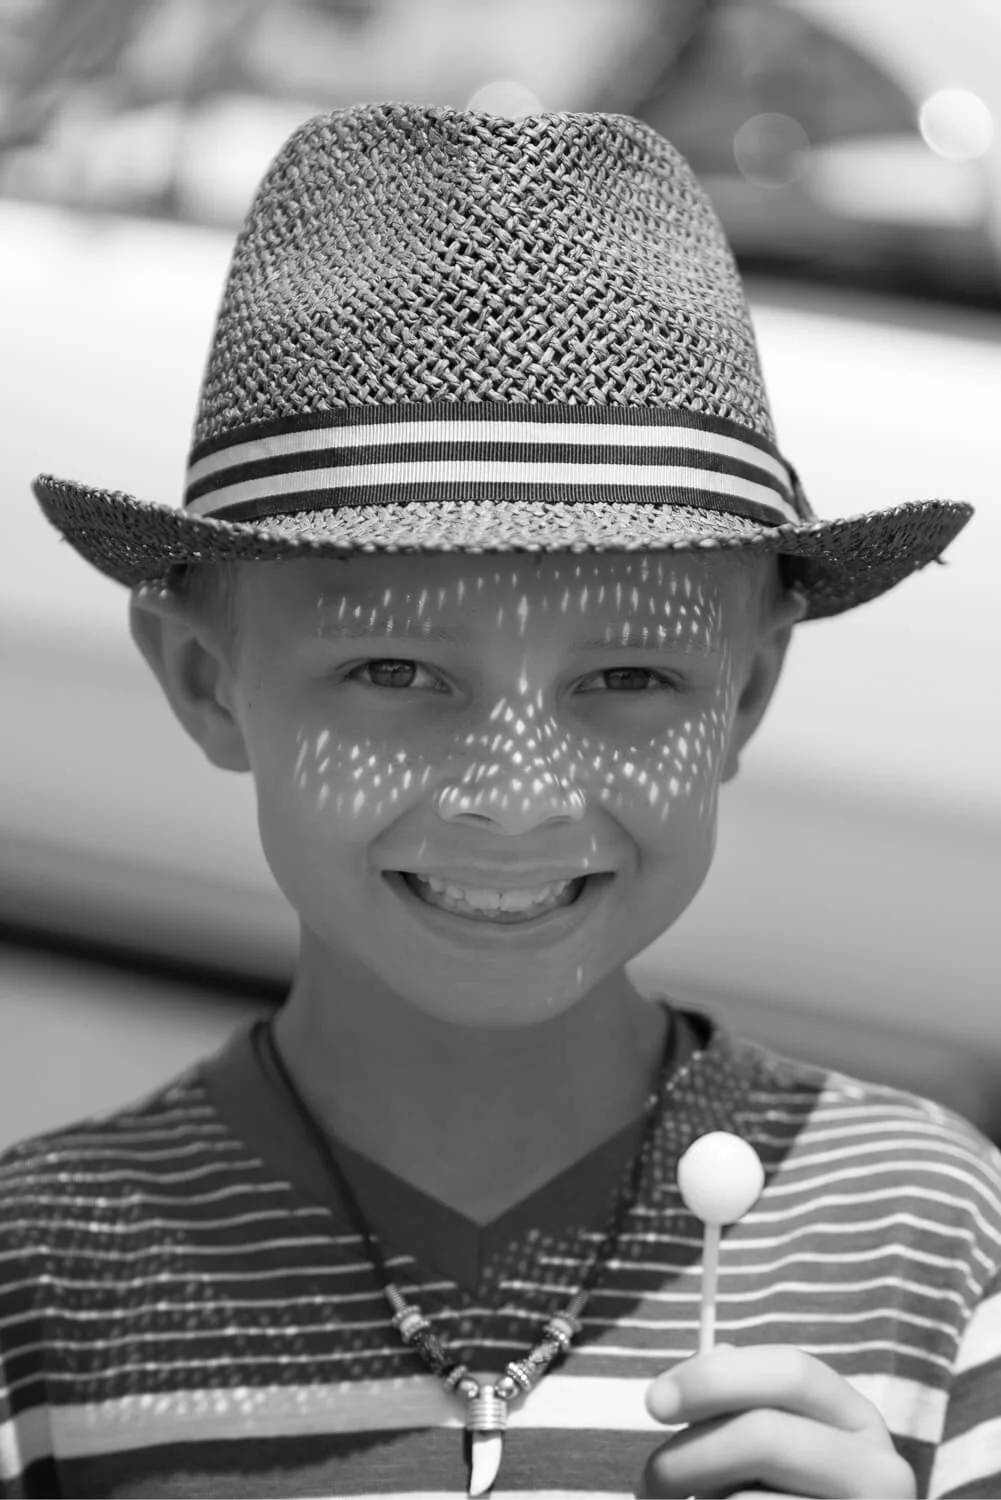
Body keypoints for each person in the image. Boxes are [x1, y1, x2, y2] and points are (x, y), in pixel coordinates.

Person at [5, 102, 999, 1500]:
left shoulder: (926, 1236)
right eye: (396, 668)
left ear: (750, 695)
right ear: (205, 681)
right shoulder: (51, 1284)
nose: (517, 798)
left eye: (632, 674)